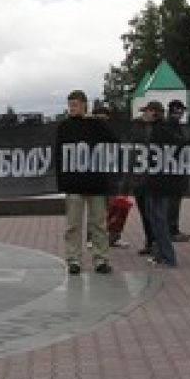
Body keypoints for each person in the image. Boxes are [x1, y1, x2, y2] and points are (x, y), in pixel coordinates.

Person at [59, 90, 112, 275]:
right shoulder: (65, 127)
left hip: (96, 182)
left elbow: (113, 141)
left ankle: (101, 259)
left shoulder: (96, 124)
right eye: (70, 105)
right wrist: (62, 180)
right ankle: (74, 260)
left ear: (84, 105)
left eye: (75, 105)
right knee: (73, 224)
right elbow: (59, 153)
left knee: (98, 223)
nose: (72, 108)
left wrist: (97, 121)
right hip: (74, 183)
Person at [140, 101, 177, 268]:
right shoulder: (153, 129)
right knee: (153, 217)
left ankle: (168, 256)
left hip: (160, 180)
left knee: (159, 218)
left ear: (154, 113)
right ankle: (160, 253)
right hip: (151, 179)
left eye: (146, 112)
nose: (143, 115)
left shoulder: (163, 129)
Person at [166, 99, 190, 242]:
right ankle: (172, 229)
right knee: (173, 202)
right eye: (180, 110)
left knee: (175, 201)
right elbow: (177, 142)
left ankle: (173, 228)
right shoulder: (171, 125)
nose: (181, 113)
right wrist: (186, 141)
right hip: (173, 170)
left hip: (178, 168)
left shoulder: (175, 125)